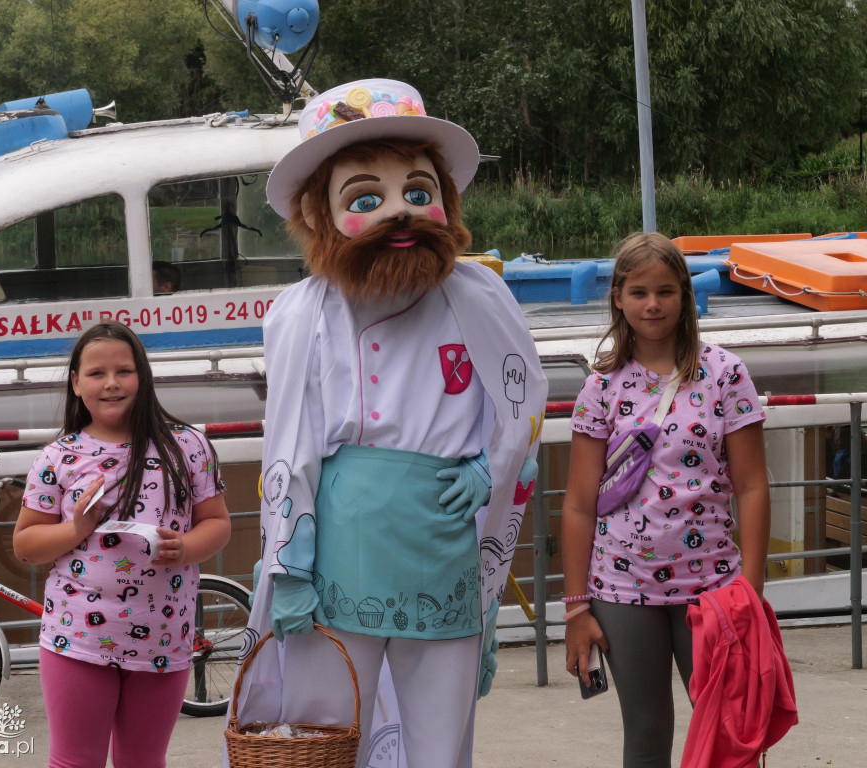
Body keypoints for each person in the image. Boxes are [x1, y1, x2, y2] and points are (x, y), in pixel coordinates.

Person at [230, 78, 548, 768]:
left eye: (419, 192)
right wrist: (289, 565)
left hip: (443, 539)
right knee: (326, 730)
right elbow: (288, 442)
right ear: (320, 215)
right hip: (337, 546)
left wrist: (487, 468)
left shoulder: (477, 294)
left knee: (441, 735)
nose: (400, 213)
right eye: (366, 200)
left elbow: (523, 399)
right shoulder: (301, 312)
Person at [561, 232, 771, 768]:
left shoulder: (726, 375)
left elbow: (751, 486)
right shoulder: (601, 388)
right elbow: (580, 504)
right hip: (622, 588)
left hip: (716, 588)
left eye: (664, 291)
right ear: (618, 298)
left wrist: (751, 587)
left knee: (731, 731)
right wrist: (577, 607)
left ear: (685, 296)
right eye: (637, 292)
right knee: (647, 733)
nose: (652, 305)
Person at [13, 321, 230, 768]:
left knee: (144, 762)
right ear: (75, 383)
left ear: (142, 376)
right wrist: (76, 529)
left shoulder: (188, 447)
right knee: (75, 762)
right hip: (77, 637)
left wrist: (186, 548)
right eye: (95, 373)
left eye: (123, 371)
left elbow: (218, 524)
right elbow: (26, 545)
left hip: (164, 638)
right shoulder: (57, 458)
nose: (111, 383)